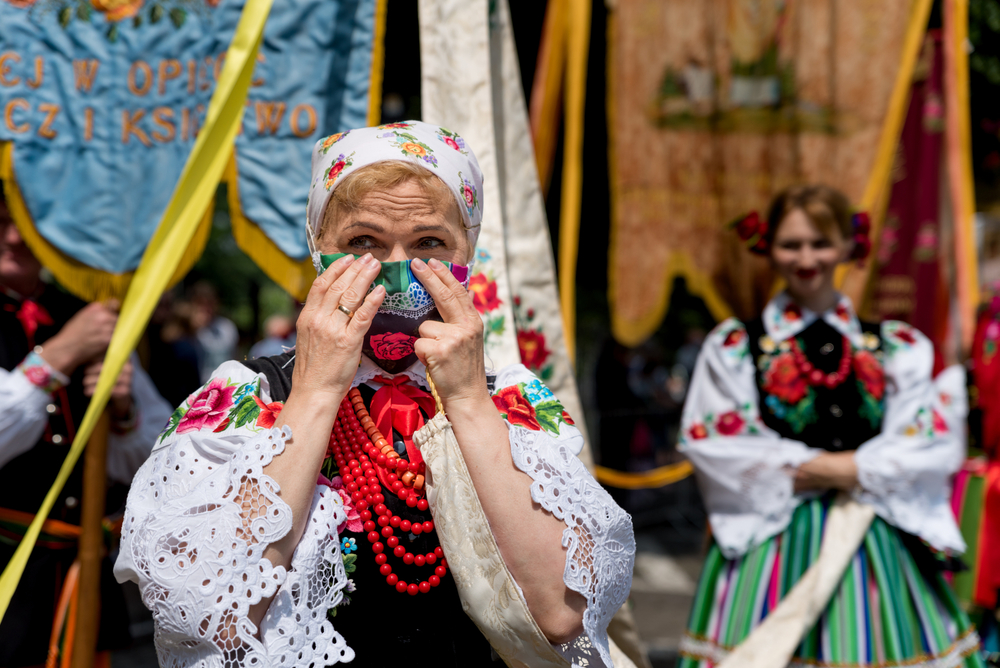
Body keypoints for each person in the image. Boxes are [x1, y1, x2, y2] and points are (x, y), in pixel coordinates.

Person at [114, 121, 635, 667]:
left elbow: (560, 614)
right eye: (363, 243)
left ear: (469, 251)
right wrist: (316, 390)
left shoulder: (510, 403)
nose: (397, 273)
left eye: (430, 244)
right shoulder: (245, 398)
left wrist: (466, 402)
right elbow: (210, 612)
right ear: (319, 249)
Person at [676, 185, 983, 668]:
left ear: (847, 246)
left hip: (873, 538)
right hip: (773, 540)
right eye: (791, 244)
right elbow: (718, 441)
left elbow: (929, 441)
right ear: (768, 247)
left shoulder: (896, 345)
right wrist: (860, 467)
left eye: (820, 243)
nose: (806, 258)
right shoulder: (737, 345)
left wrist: (829, 469)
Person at [0, 193, 172, 665]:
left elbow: (159, 457)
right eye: (0, 222)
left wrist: (122, 412)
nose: (15, 237)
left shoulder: (88, 312)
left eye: (29, 224)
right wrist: (54, 360)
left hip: (81, 565)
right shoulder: (82, 327)